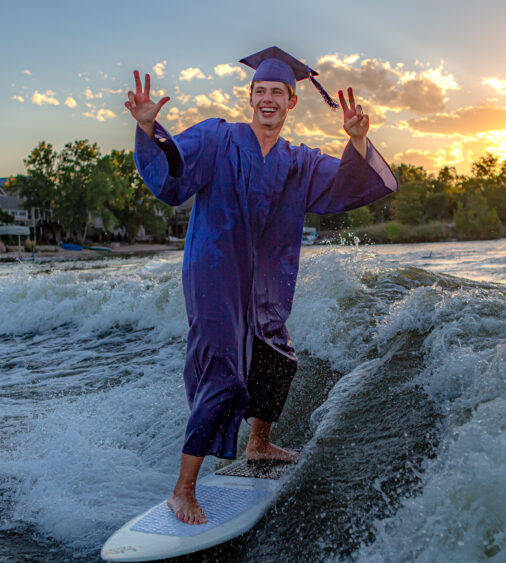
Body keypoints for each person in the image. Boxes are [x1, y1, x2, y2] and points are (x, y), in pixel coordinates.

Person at [126, 46, 398, 525]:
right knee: (224, 371)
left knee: (278, 357)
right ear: (249, 96)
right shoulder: (217, 138)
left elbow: (350, 186)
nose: (268, 99)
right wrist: (149, 128)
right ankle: (182, 489)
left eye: (278, 92)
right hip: (215, 269)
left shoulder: (301, 162)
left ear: (292, 102)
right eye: (261, 91)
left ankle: (258, 444)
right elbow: (172, 175)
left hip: (269, 275)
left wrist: (356, 143)